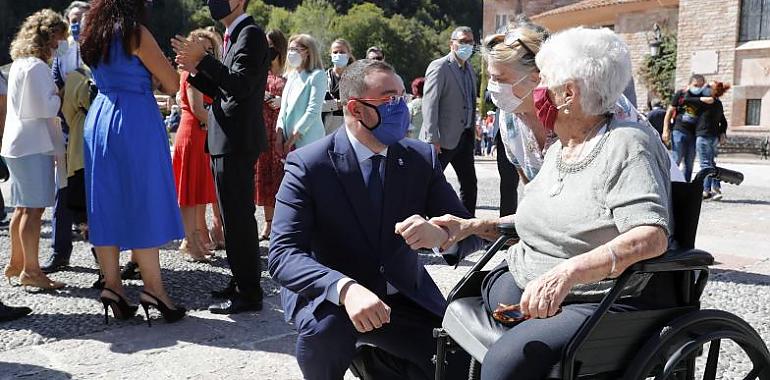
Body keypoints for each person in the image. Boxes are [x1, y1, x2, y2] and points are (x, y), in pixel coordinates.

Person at [428, 27, 673, 380]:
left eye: (545, 81)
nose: (538, 89)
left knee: (506, 361)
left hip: (594, 293)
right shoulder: (562, 146)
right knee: (460, 308)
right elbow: (540, 219)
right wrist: (468, 227)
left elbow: (651, 236)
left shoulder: (627, 145)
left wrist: (568, 272)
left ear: (568, 94)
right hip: (531, 277)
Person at [268, 59, 483, 380]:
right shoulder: (309, 165)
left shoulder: (419, 158)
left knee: (462, 366)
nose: (402, 108)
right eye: (389, 99)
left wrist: (442, 235)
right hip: (335, 299)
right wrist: (344, 288)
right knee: (322, 338)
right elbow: (283, 255)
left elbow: (469, 230)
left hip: (403, 296)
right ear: (355, 109)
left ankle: (378, 364)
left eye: (402, 96)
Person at [80, 0, 185, 324]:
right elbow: (172, 83)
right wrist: (149, 79)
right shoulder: (135, 33)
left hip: (99, 116)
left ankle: (112, 286)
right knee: (143, 199)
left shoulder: (91, 32)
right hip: (133, 117)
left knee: (105, 200)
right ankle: (154, 289)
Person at [173, 0, 270, 314]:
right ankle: (241, 279)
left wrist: (203, 61)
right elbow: (225, 86)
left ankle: (249, 292)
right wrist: (195, 70)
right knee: (231, 218)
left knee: (239, 218)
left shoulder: (251, 34)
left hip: (237, 140)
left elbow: (240, 86)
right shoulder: (234, 34)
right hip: (226, 138)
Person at [1, 9, 69, 290]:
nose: (61, 44)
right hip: (34, 144)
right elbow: (44, 107)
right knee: (34, 210)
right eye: (60, 38)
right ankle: (31, 270)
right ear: (50, 36)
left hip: (16, 142)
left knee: (22, 207)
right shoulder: (38, 67)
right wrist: (60, 95)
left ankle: (17, 263)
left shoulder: (19, 63)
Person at [42, 0, 91, 274]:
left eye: (82, 18)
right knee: (62, 193)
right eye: (73, 18)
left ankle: (103, 254)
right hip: (66, 131)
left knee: (95, 193)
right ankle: (60, 253)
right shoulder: (61, 51)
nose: (76, 23)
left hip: (91, 129)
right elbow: (53, 86)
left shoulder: (99, 47)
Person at [172, 29, 222, 263]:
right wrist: (225, 121)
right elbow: (198, 110)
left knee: (196, 194)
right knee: (189, 195)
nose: (205, 53)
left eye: (209, 50)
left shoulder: (202, 73)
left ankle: (194, 241)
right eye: (201, 48)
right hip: (193, 134)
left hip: (201, 135)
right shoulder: (189, 73)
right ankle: (189, 242)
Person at [421, 26, 478, 215]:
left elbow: (469, 100)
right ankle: (420, 221)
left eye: (470, 41)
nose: (467, 45)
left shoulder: (469, 69)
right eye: (462, 41)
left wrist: (473, 125)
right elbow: (430, 103)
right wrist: (432, 137)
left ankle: (468, 226)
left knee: (469, 184)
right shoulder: (439, 67)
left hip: (465, 136)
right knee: (429, 182)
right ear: (451, 44)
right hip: (442, 139)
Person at [254, 29, 288, 241]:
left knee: (281, 177)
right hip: (261, 128)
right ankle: (267, 224)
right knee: (265, 176)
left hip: (282, 130)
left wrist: (282, 100)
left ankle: (282, 224)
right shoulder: (259, 72)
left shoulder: (290, 73)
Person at [275, 34, 327, 152]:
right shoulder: (292, 76)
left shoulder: (317, 75)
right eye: (290, 49)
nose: (291, 53)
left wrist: (291, 140)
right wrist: (279, 136)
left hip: (308, 142)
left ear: (307, 52)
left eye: (296, 50)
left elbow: (312, 111)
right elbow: (283, 109)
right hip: (288, 143)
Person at [688, 81, 730, 200]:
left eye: (707, 86)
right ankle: (716, 189)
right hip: (713, 137)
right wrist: (722, 132)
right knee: (711, 164)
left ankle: (706, 191)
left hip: (704, 136)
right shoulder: (718, 103)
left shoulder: (705, 102)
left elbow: (687, 100)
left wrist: (694, 92)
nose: (704, 87)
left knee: (705, 165)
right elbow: (724, 121)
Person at [663, 74, 707, 181]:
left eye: (701, 85)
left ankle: (685, 185)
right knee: (676, 159)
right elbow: (670, 111)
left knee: (689, 163)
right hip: (679, 130)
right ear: (689, 84)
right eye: (695, 85)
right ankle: (668, 182)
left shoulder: (703, 98)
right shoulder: (681, 94)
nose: (698, 88)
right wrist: (666, 130)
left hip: (694, 134)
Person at [322, 38, 355, 135]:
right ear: (331, 55)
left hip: (350, 129)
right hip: (326, 129)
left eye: (342, 52)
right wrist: (336, 104)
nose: (338, 55)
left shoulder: (356, 78)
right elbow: (316, 105)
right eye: (335, 52)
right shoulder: (322, 78)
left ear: (348, 55)